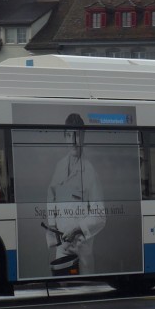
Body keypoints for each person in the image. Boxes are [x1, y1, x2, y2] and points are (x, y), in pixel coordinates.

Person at [44, 113, 106, 274]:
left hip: (81, 250)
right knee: (62, 290)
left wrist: (77, 229)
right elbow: (51, 197)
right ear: (65, 137)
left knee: (84, 289)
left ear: (83, 137)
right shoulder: (59, 167)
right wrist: (52, 226)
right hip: (61, 248)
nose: (72, 141)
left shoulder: (90, 172)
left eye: (77, 135)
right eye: (69, 135)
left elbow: (100, 215)